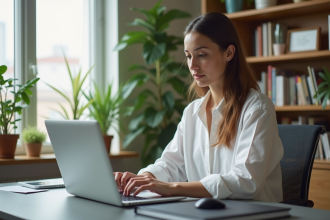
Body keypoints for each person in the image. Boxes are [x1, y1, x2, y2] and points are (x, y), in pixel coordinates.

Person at [113, 12, 284, 202]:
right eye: (188, 56)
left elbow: (245, 181)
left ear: (229, 53)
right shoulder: (192, 112)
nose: (192, 65)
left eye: (202, 55)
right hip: (205, 213)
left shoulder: (257, 108)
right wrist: (144, 178)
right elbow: (170, 164)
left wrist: (173, 188)